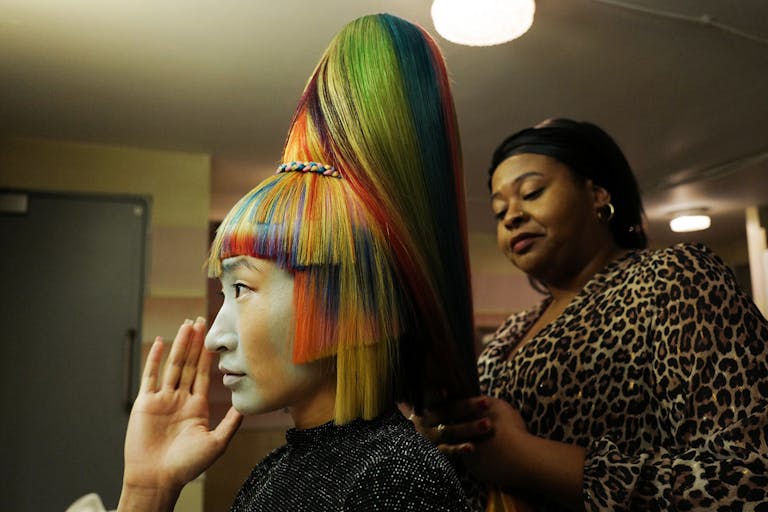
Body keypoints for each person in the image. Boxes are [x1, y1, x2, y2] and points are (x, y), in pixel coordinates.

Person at [116, 13, 478, 512]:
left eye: (242, 288)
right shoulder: (276, 470)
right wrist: (147, 489)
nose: (216, 336)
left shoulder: (397, 482)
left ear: (362, 310)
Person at [418, 118, 768, 511]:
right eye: (499, 212)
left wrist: (525, 457)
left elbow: (748, 479)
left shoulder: (672, 277)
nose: (511, 216)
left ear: (598, 193)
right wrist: (446, 437)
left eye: (531, 192)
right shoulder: (512, 332)